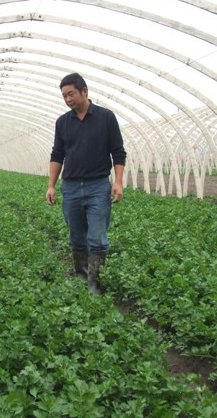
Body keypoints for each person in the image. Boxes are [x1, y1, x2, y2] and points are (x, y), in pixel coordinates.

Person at [46, 73, 126, 295]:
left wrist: (118, 182)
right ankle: (81, 276)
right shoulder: (63, 122)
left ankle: (94, 282)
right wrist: (51, 185)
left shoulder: (105, 117)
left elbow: (118, 152)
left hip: (98, 186)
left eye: (71, 94)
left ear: (84, 91)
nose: (68, 99)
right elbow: (57, 154)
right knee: (77, 236)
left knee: (97, 237)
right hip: (71, 187)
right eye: (64, 96)